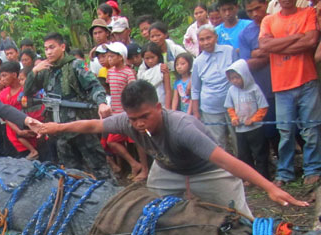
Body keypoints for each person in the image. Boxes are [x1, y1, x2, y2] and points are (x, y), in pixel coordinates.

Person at [36, 80, 309, 219]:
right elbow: (93, 125)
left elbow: (227, 161)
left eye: (145, 116)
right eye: (133, 119)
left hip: (208, 172)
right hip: (167, 171)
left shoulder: (183, 128)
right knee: (153, 212)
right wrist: (55, 128)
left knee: (241, 220)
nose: (139, 123)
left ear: (158, 107)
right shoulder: (127, 121)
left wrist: (269, 187)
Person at [259, 0, 321, 186]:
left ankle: (312, 169)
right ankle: (285, 172)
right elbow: (265, 46)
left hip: (307, 80)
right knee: (285, 131)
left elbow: (311, 41)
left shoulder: (308, 13)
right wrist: (296, 38)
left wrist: (280, 44)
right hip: (282, 84)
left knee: (311, 128)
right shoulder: (269, 20)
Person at [24, 32, 113, 180]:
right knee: (71, 173)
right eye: (46, 49)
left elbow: (94, 86)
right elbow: (28, 91)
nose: (49, 52)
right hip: (60, 131)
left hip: (81, 127)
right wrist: (34, 71)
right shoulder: (46, 69)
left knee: (100, 168)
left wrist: (102, 103)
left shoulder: (75, 65)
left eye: (52, 47)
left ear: (62, 47)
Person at [239, 0, 279, 154]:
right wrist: (274, 52)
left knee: (295, 127)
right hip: (263, 87)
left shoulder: (279, 22)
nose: (255, 13)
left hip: (287, 82)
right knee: (270, 130)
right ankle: (279, 162)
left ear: (266, 3)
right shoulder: (245, 33)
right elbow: (246, 64)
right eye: (250, 11)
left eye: (258, 8)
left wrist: (259, 52)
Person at [191, 24, 238, 152]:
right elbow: (195, 89)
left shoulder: (229, 51)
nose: (206, 42)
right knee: (218, 143)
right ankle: (223, 171)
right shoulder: (198, 62)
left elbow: (239, 77)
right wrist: (196, 113)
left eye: (209, 38)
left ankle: (243, 169)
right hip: (210, 109)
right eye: (202, 40)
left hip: (233, 106)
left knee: (238, 139)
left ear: (216, 37)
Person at [104, 42, 148, 180]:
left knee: (136, 142)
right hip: (115, 113)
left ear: (121, 57)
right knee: (112, 142)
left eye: (112, 56)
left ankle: (144, 169)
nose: (109, 59)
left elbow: (133, 91)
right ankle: (133, 164)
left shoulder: (128, 72)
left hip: (128, 112)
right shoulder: (110, 72)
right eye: (108, 57)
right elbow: (109, 89)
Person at [224, 59, 270, 181]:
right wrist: (233, 118)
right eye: (232, 78)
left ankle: (263, 178)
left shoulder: (254, 88)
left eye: (237, 77)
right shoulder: (231, 90)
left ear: (244, 75)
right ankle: (249, 178)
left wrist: (255, 119)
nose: (235, 81)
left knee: (260, 153)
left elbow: (263, 106)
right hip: (240, 129)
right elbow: (230, 107)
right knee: (244, 155)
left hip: (256, 128)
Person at [0, 62, 39, 160]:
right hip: (14, 135)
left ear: (14, 75)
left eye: (4, 75)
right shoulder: (2, 94)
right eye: (1, 77)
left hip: (32, 130)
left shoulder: (26, 90)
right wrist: (19, 131)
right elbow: (5, 117)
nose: (2, 79)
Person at [137, 42, 171, 109]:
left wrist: (167, 108)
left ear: (158, 56)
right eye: (147, 58)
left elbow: (168, 91)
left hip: (161, 103)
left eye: (153, 57)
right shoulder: (141, 72)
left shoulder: (162, 69)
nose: (150, 61)